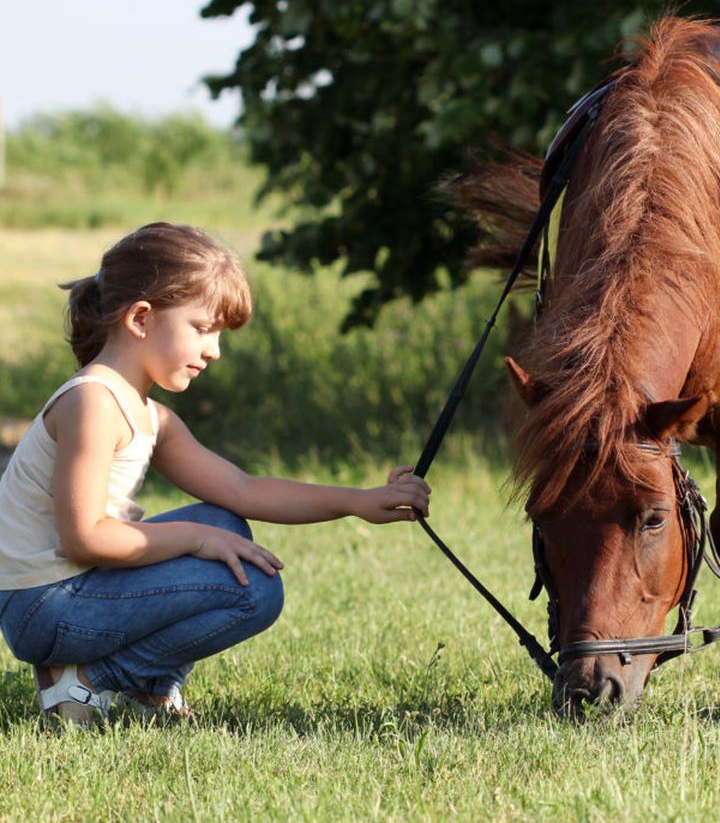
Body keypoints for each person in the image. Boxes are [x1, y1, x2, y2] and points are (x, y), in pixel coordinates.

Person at [0, 222, 431, 726]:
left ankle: (147, 690)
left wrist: (356, 501)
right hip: (43, 605)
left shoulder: (148, 414)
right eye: (202, 328)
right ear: (141, 318)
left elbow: (243, 490)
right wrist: (194, 539)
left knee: (227, 523)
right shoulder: (93, 403)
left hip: (75, 592)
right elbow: (85, 539)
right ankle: (94, 680)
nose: (214, 350)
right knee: (253, 589)